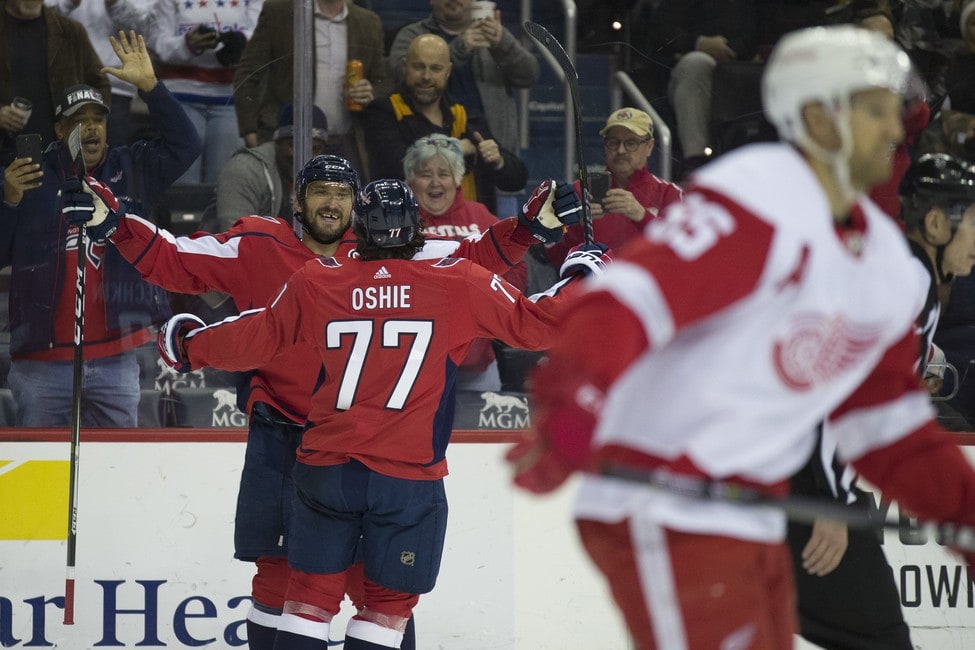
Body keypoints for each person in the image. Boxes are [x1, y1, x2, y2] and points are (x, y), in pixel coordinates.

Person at [507, 25, 975, 648]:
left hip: (753, 514)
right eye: (877, 112)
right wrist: (574, 399)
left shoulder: (885, 263)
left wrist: (963, 513)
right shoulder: (763, 192)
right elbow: (634, 297)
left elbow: (885, 427)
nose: (896, 131)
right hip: (668, 499)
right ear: (819, 117)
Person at [73, 151, 577, 649]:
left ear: (357, 206)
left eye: (342, 194)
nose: (331, 204)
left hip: (336, 453)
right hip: (290, 435)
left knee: (345, 587)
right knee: (287, 580)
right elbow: (176, 260)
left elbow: (469, 259)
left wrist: (190, 348)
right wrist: (118, 226)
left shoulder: (367, 255)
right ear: (298, 198)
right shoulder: (260, 243)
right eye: (321, 192)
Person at [0, 31, 200, 427]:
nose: (91, 130)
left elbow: (186, 146)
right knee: (40, 476)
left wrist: (150, 87)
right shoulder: (27, 178)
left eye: (98, 120)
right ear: (59, 130)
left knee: (116, 471)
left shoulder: (134, 168)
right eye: (79, 122)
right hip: (42, 362)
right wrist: (8, 200)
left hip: (116, 356)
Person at [403, 133, 525, 390]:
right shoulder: (400, 223)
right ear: (410, 181)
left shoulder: (480, 216)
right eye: (425, 174)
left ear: (458, 179)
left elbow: (516, 267)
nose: (436, 182)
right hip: (413, 369)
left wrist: (488, 304)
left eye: (444, 174)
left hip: (477, 366)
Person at [365, 33, 527, 216]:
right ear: (404, 67)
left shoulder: (465, 115)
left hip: (468, 235)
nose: (426, 76)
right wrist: (456, 148)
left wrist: (499, 161)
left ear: (448, 72)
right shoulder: (382, 111)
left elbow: (517, 179)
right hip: (407, 232)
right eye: (418, 67)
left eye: (435, 69)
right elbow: (394, 166)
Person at [232, 0, 385, 173]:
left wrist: (371, 91)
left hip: (345, 143)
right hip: (286, 145)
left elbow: (382, 81)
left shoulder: (369, 21)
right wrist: (250, 133)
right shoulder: (279, 12)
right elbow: (248, 73)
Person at [387, 0, 539, 154]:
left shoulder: (493, 34)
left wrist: (503, 44)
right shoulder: (412, 35)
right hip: (431, 154)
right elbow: (399, 72)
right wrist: (460, 47)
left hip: (493, 150)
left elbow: (529, 76)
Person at [543, 107, 683, 268]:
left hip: (648, 288)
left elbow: (684, 253)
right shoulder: (577, 192)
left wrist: (642, 216)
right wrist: (578, 226)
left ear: (650, 146)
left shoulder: (670, 194)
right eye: (613, 142)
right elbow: (552, 257)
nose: (621, 150)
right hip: (593, 289)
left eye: (631, 143)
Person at [146, 0, 261, 184]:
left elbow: (262, 31)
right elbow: (157, 42)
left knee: (225, 183)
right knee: (181, 180)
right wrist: (188, 44)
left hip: (230, 98)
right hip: (180, 98)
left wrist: (241, 40)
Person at [647, 0, 760, 177]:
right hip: (698, 62)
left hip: (748, 64)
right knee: (695, 64)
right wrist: (699, 43)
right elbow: (661, 29)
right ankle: (696, 160)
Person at [0, 0, 109, 165]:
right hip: (4, 155)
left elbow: (100, 84)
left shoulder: (71, 32)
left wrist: (88, 123)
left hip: (60, 159)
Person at [45, 0, 153, 147]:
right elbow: (40, 20)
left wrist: (115, 4)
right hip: (65, 81)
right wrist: (68, 3)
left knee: (112, 158)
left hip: (115, 86)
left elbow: (147, 27)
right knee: (60, 153)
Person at [215, 103, 329, 230]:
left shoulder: (323, 174)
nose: (305, 157)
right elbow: (236, 238)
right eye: (294, 146)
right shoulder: (245, 170)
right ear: (278, 142)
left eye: (315, 149)